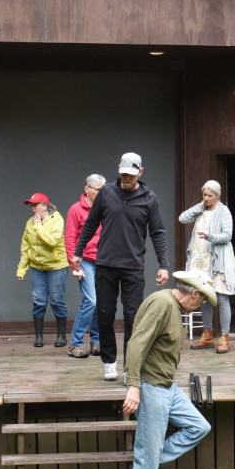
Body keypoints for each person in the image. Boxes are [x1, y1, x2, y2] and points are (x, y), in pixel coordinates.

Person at [114, 270, 215, 469]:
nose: (200, 307)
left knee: (199, 426)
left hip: (167, 387)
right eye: (202, 301)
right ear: (194, 294)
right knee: (147, 453)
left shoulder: (173, 307)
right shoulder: (162, 304)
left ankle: (152, 464)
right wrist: (133, 386)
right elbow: (137, 344)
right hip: (151, 387)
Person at [72, 152, 170, 382]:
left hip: (133, 267)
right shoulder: (106, 192)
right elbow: (90, 224)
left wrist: (164, 264)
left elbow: (158, 233)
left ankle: (130, 367)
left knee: (133, 317)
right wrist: (78, 252)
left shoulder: (149, 198)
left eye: (131, 174)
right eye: (124, 173)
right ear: (119, 170)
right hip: (105, 264)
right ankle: (109, 362)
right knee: (105, 315)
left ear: (141, 172)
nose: (127, 178)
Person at [178, 179, 235, 354]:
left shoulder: (223, 211)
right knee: (203, 296)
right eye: (204, 195)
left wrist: (210, 235)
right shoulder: (201, 209)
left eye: (210, 196)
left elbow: (227, 235)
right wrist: (200, 205)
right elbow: (182, 218)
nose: (207, 198)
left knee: (221, 297)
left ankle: (224, 337)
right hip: (199, 260)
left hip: (217, 262)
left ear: (218, 196)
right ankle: (208, 334)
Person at [17, 192, 69, 348]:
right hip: (38, 268)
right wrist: (22, 269)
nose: (32, 208)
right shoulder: (29, 223)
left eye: (35, 205)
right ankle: (38, 337)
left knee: (57, 301)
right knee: (38, 302)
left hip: (56, 267)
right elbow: (26, 247)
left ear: (44, 206)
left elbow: (52, 241)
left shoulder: (57, 220)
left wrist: (39, 226)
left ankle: (61, 336)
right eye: (31, 205)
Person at [64, 174, 105, 358]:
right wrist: (74, 265)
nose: (101, 192)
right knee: (91, 300)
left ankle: (96, 341)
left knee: (101, 303)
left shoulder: (106, 207)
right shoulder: (76, 209)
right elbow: (70, 239)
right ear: (87, 189)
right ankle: (76, 344)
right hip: (85, 260)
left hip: (104, 261)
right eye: (97, 189)